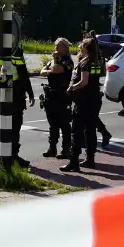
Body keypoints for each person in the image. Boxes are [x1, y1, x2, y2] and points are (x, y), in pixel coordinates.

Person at [61, 33, 104, 173]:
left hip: (84, 101)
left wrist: (72, 87)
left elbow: (84, 82)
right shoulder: (96, 60)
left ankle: (74, 162)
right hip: (94, 100)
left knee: (77, 131)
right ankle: (90, 158)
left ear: (86, 47)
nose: (79, 45)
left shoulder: (85, 62)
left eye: (82, 43)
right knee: (90, 130)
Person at [40, 38, 74, 158]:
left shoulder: (67, 61)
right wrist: (49, 70)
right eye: (55, 46)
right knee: (52, 124)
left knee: (64, 124)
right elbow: (42, 71)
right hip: (51, 95)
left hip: (62, 95)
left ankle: (66, 150)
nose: (56, 48)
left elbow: (56, 69)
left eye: (59, 46)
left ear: (65, 48)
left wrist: (53, 62)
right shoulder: (52, 60)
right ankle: (52, 148)